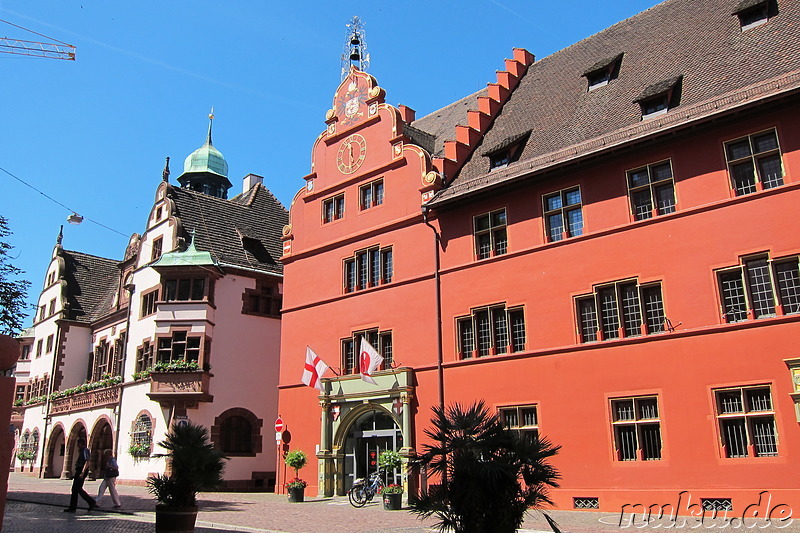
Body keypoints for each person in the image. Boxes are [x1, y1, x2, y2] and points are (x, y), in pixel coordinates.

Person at [63, 438, 97, 512]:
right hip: (79, 470)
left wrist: (82, 472)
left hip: (81, 471)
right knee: (76, 489)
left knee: (76, 489)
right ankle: (89, 503)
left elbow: (87, 461)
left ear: (81, 444)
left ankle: (90, 503)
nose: (77, 446)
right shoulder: (82, 451)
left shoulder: (85, 450)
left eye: (78, 444)